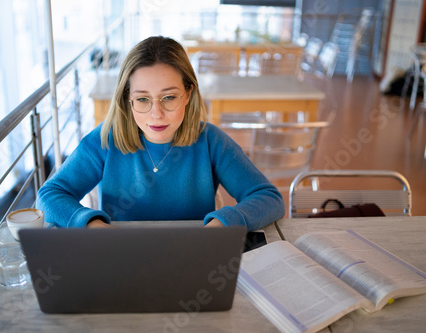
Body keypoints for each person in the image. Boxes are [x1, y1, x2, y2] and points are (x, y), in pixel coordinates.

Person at [36, 36, 285, 230]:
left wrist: (223, 223)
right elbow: (48, 196)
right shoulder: (105, 140)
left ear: (188, 93)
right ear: (127, 99)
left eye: (169, 98)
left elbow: (269, 197)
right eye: (143, 99)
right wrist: (89, 224)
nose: (156, 114)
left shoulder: (211, 141)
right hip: (120, 259)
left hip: (194, 258)